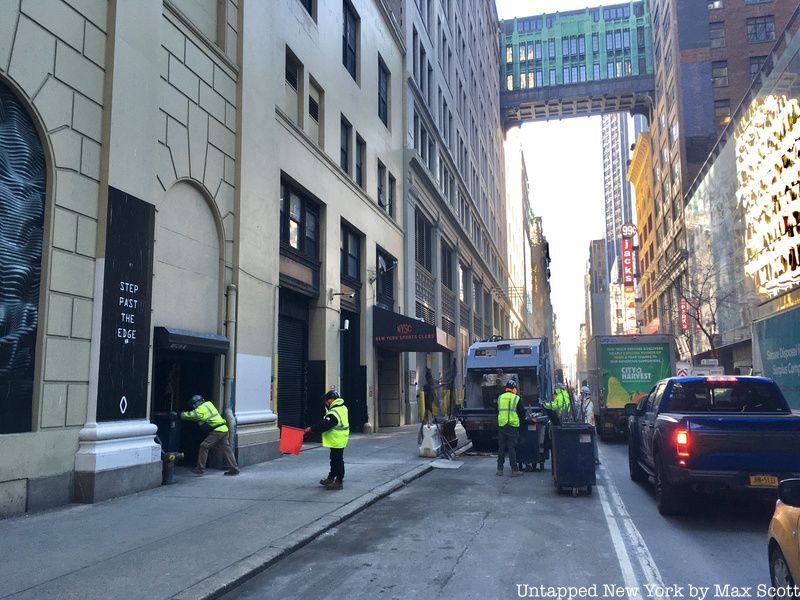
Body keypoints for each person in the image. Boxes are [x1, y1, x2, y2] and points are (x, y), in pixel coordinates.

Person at [180, 394, 239, 476]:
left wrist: (181, 414)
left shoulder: (200, 409)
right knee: (227, 449)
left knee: (204, 446)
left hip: (217, 431)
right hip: (224, 429)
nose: (194, 407)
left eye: (194, 405)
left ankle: (200, 469)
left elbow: (191, 415)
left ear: (197, 403)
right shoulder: (209, 404)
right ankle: (234, 469)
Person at [305, 390, 350, 490]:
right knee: (334, 459)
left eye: (327, 400)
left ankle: (338, 481)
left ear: (331, 400)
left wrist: (311, 429)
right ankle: (331, 477)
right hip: (339, 439)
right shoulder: (342, 407)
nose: (326, 403)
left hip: (337, 439)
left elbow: (325, 424)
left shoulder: (334, 412)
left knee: (337, 460)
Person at [496, 378, 525, 477]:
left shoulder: (500, 398)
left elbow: (498, 411)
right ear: (513, 389)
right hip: (512, 426)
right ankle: (514, 469)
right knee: (511, 448)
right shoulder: (516, 398)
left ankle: (500, 469)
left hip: (502, 426)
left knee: (501, 448)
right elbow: (522, 413)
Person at [581, 385, 600, 465]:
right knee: (593, 442)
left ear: (585, 394)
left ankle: (593, 458)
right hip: (591, 425)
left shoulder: (585, 403)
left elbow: (586, 414)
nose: (581, 395)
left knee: (589, 442)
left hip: (588, 425)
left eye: (582, 394)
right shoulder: (590, 402)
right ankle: (595, 458)